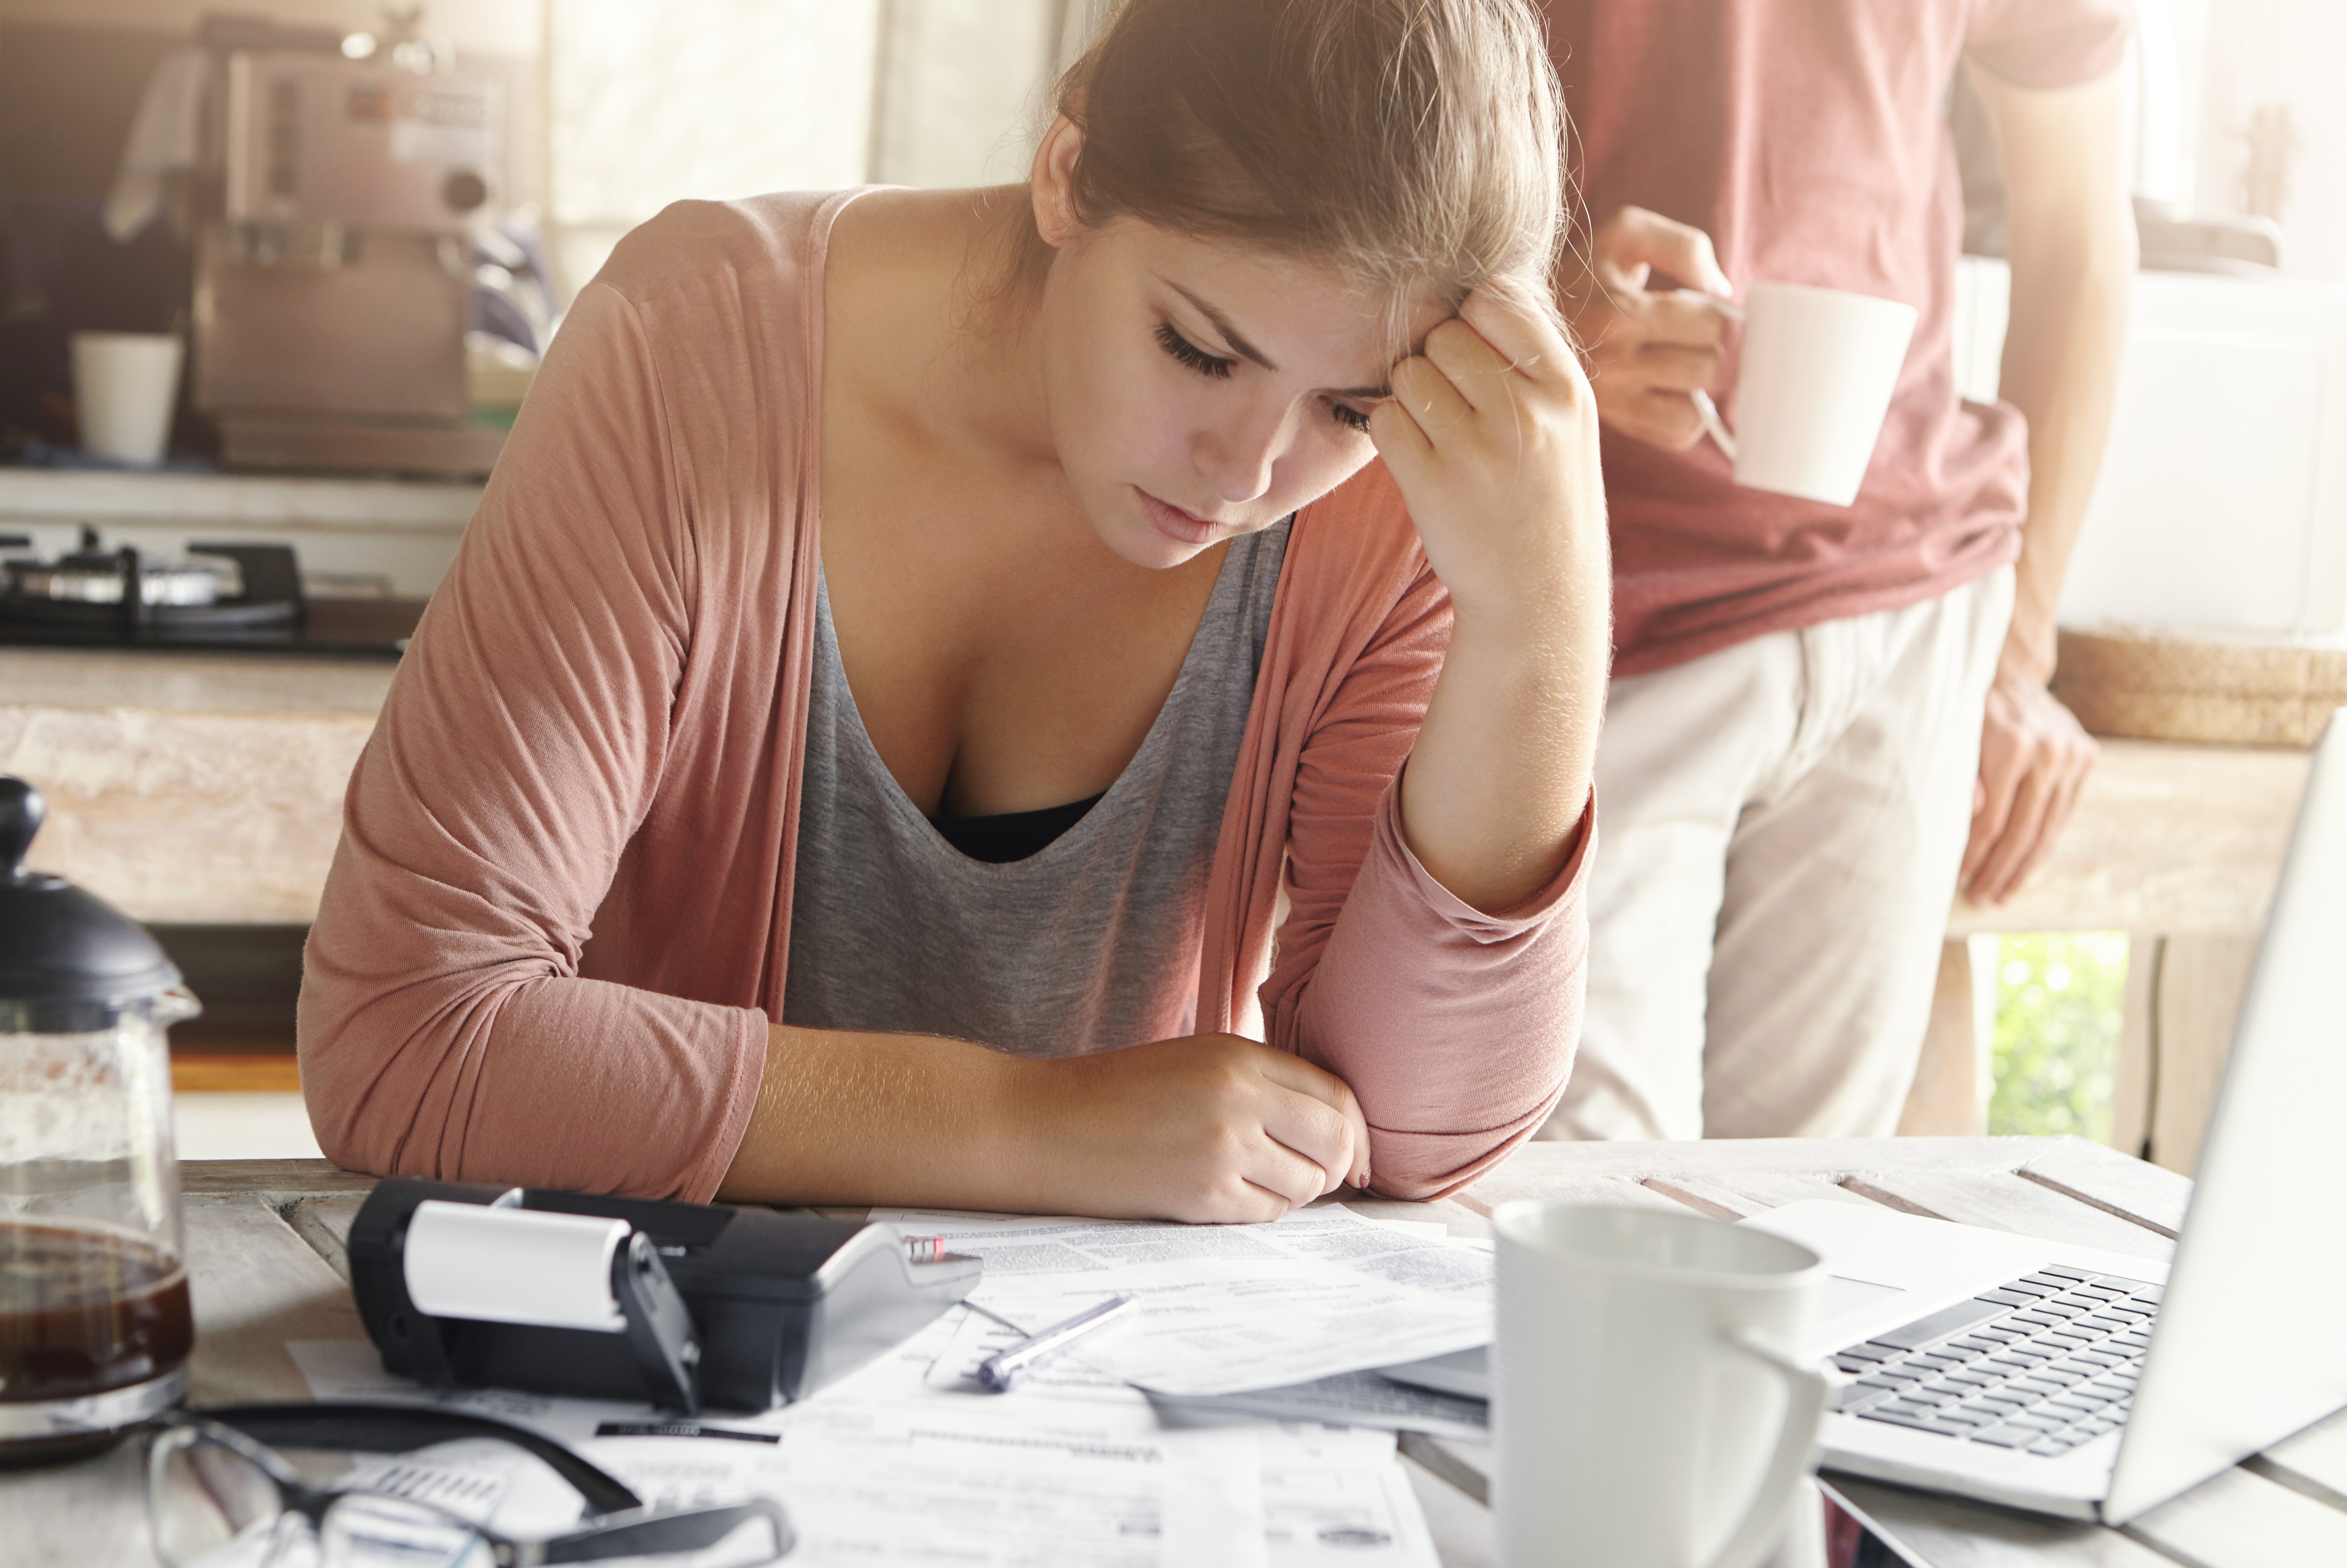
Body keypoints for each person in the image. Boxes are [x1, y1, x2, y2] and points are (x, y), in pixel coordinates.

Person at [297, 0, 1608, 1219]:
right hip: (663, 1378)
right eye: (1201, 351)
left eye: (1350, 408)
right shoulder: (694, 348)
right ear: (1066, 176)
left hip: (1101, 1400)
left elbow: (1418, 1138)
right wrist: (1034, 1127)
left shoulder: (1395, 493)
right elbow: (408, 1038)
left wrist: (1544, 623)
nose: (1251, 473)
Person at [1533, 0, 2136, 1141]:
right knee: (1570, 1215)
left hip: (1906, 612)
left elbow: (2082, 239)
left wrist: (2017, 657)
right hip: (1584, 612)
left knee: (1806, 1241)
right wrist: (1527, 310)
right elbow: (1326, 160)